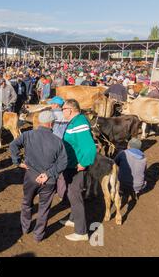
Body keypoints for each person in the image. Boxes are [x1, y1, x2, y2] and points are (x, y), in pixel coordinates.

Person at [10, 111, 68, 242]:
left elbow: (13, 145)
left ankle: (25, 228)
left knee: (26, 203)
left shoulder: (28, 135)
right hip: (49, 181)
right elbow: (63, 162)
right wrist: (48, 174)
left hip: (30, 176)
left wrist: (17, 162)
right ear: (51, 123)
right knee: (44, 208)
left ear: (40, 122)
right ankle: (38, 235)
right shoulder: (58, 141)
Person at [60, 99, 97, 242]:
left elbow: (90, 147)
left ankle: (81, 232)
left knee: (75, 196)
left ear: (70, 110)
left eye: (63, 109)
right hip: (71, 164)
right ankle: (73, 219)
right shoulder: (76, 121)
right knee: (71, 193)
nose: (62, 111)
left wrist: (84, 162)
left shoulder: (80, 123)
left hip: (76, 166)